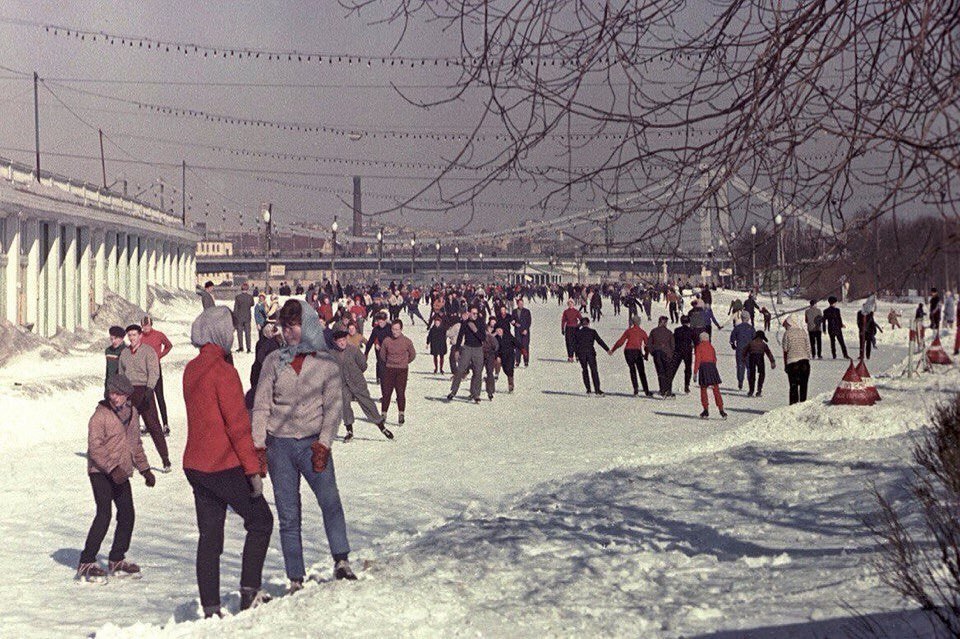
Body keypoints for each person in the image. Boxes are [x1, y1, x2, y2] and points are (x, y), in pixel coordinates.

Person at [252, 299, 357, 592]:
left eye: (293, 326)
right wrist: (259, 446)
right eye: (284, 327)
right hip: (280, 447)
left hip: (312, 444)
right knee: (288, 513)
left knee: (330, 502)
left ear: (307, 325)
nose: (288, 332)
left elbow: (333, 407)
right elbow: (261, 406)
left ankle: (341, 559)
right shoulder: (273, 361)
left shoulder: (325, 363)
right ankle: (295, 576)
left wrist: (324, 444)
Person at [182, 306, 274, 615]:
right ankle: (249, 591)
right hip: (222, 464)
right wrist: (253, 471)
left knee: (210, 536)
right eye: (230, 330)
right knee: (261, 520)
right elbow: (236, 426)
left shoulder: (191, 369)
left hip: (195, 465)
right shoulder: (224, 372)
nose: (234, 335)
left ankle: (210, 607)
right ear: (220, 332)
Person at [77, 373, 156, 582]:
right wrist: (112, 469)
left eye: (119, 394)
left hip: (120, 472)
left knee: (127, 513)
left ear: (127, 395)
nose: (114, 397)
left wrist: (145, 469)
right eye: (112, 393)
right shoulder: (99, 416)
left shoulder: (132, 414)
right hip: (101, 472)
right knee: (104, 514)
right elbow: (95, 448)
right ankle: (86, 560)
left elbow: (135, 445)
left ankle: (116, 558)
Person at [118, 324, 171, 472]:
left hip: (144, 392)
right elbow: (121, 374)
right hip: (129, 393)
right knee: (127, 428)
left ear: (140, 336)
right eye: (130, 335)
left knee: (154, 426)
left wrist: (149, 389)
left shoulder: (148, 352)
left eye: (134, 335)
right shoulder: (124, 353)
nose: (132, 338)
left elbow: (154, 372)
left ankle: (165, 459)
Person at [331, 330, 392, 441]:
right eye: (339, 341)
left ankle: (381, 426)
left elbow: (363, 365)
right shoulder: (332, 354)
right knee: (344, 404)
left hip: (357, 382)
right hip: (343, 384)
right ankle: (349, 431)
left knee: (367, 404)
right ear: (335, 342)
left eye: (344, 340)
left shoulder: (354, 350)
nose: (342, 343)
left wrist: (356, 373)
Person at [140, 316, 173, 436]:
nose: (146, 328)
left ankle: (165, 425)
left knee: (159, 396)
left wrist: (160, 355)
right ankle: (149, 425)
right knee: (147, 398)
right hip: (144, 371)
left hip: (156, 369)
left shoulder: (159, 335)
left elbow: (169, 345)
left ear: (151, 325)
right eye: (144, 326)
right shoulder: (140, 336)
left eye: (148, 325)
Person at [379, 319, 417, 424]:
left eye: (397, 329)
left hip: (402, 370)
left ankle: (401, 414)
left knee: (400, 392)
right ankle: (383, 414)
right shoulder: (387, 341)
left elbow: (412, 355)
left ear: (401, 329)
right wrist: (389, 362)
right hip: (389, 369)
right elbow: (382, 355)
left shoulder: (407, 341)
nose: (395, 331)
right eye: (393, 329)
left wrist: (404, 362)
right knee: (386, 393)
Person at [448, 307, 486, 403]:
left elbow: (483, 337)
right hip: (467, 348)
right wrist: (456, 350)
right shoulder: (465, 323)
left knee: (478, 372)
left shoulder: (481, 323)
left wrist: (475, 330)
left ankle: (476, 394)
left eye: (476, 313)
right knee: (460, 370)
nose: (475, 315)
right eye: (473, 313)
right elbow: (460, 337)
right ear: (469, 313)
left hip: (478, 349)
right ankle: (453, 391)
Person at [609, 315, 652, 397]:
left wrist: (613, 350)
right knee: (641, 371)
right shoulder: (642, 332)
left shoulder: (628, 331)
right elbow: (648, 345)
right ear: (639, 322)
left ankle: (635, 389)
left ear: (632, 322)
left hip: (628, 352)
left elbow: (620, 342)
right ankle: (646, 391)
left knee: (632, 370)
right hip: (637, 352)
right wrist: (646, 355)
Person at [573, 316, 610, 395]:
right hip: (590, 353)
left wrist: (576, 355)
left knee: (585, 370)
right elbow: (599, 341)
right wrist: (607, 349)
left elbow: (575, 344)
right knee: (594, 371)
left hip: (581, 353)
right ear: (589, 323)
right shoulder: (592, 331)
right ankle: (597, 389)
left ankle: (588, 389)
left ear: (581, 324)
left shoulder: (578, 332)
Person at [694, 332, 726, 419]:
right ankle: (721, 409)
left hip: (704, 368)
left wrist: (695, 372)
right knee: (716, 389)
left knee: (703, 389)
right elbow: (714, 359)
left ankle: (706, 409)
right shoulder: (711, 347)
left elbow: (697, 360)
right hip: (712, 368)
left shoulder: (699, 347)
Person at [782, 315, 812, 405]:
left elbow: (785, 350)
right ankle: (802, 406)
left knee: (793, 386)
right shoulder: (803, 332)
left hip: (792, 363)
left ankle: (793, 407)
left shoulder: (787, 333)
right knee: (804, 386)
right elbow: (808, 348)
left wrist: (786, 365)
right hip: (804, 362)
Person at [648, 316, 676, 397]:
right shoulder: (669, 332)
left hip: (657, 353)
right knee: (668, 372)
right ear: (664, 323)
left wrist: (652, 352)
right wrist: (671, 354)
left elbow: (649, 344)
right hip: (667, 354)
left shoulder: (653, 331)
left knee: (660, 372)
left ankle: (662, 390)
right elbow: (673, 346)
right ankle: (668, 390)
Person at [745, 330, 776, 397]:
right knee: (762, 374)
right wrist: (772, 361)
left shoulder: (751, 343)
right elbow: (768, 353)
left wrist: (743, 360)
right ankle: (759, 390)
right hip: (760, 358)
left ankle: (751, 391)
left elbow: (744, 352)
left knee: (752, 375)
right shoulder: (763, 344)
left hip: (752, 358)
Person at [729, 312, 755, 390]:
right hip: (749, 350)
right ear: (749, 318)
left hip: (740, 349)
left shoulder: (737, 328)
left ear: (741, 318)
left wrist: (733, 345)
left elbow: (732, 338)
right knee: (749, 367)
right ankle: (750, 381)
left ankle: (740, 381)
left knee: (740, 366)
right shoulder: (751, 328)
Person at [364, 312, 392, 384]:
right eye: (379, 322)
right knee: (380, 362)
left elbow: (396, 339)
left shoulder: (390, 328)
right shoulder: (376, 329)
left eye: (382, 322)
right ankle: (379, 377)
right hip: (379, 347)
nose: (380, 324)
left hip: (389, 348)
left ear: (385, 320)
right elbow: (370, 341)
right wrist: (366, 353)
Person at [672, 315, 696, 394]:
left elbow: (673, 340)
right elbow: (696, 342)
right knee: (688, 369)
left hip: (678, 351)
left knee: (674, 368)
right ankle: (686, 386)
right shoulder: (691, 331)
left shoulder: (677, 330)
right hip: (687, 352)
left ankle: (668, 384)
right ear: (689, 322)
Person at [104, 325, 126, 398]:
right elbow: (108, 371)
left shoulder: (127, 351)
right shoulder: (108, 351)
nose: (113, 341)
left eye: (116, 338)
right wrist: (106, 388)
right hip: (111, 386)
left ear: (122, 338)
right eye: (111, 339)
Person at [233, 283, 255, 353]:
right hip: (247, 317)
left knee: (239, 333)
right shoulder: (250, 297)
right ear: (247, 289)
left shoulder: (238, 297)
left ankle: (241, 347)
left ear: (241, 289)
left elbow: (235, 309)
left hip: (239, 317)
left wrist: (234, 317)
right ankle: (248, 348)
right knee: (248, 333)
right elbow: (252, 304)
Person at [496, 325, 517, 393]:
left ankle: (511, 385)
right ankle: (510, 381)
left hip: (510, 355)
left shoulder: (508, 336)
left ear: (502, 330)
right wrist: (497, 356)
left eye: (500, 330)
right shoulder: (496, 338)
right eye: (497, 331)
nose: (499, 332)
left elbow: (515, 342)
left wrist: (522, 349)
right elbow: (494, 349)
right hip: (502, 356)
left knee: (510, 369)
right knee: (505, 369)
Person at [513, 297, 532, 367]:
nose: (521, 305)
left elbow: (529, 321)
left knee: (525, 346)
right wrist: (514, 324)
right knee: (518, 347)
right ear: (517, 304)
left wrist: (526, 329)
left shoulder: (527, 311)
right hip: (517, 332)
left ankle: (526, 361)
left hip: (525, 332)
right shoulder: (514, 311)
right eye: (519, 304)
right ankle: (517, 361)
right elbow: (512, 320)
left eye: (522, 303)